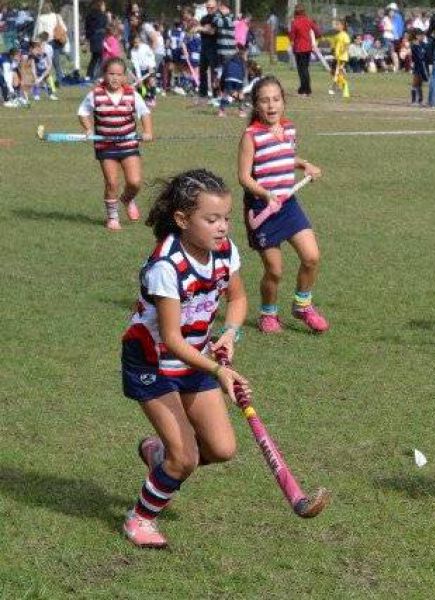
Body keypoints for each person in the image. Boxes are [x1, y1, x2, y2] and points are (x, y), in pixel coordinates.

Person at [120, 169, 248, 549]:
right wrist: (218, 369)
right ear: (182, 220)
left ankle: (160, 455)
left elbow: (237, 300)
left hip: (195, 358)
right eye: (211, 219)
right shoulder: (167, 266)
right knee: (186, 458)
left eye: (225, 217)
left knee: (221, 449)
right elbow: (172, 339)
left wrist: (229, 333)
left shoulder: (225, 252)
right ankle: (139, 519)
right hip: (152, 362)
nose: (222, 227)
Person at [237, 76, 329, 334]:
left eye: (276, 99)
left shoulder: (289, 129)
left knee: (311, 257)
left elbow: (284, 156)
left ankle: (302, 305)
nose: (271, 105)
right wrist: (266, 195)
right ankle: (268, 314)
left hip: (287, 205)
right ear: (256, 105)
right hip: (262, 210)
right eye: (264, 100)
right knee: (275, 271)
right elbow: (243, 177)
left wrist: (304, 164)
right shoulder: (250, 136)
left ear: (283, 102)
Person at [77, 57, 153, 230]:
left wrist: (147, 132)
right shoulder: (95, 95)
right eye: (111, 74)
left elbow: (145, 113)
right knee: (112, 183)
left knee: (134, 182)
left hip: (128, 145)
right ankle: (112, 217)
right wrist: (89, 129)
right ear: (104, 74)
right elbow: (82, 113)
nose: (115, 78)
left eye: (119, 74)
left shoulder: (132, 95)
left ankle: (127, 199)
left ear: (124, 77)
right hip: (106, 146)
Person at [288, 6, 320, 97]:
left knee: (301, 70)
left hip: (299, 48)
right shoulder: (308, 21)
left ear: (296, 13)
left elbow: (291, 36)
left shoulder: (294, 22)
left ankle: (305, 90)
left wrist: (291, 43)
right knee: (305, 68)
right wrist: (316, 39)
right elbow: (317, 31)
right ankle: (304, 88)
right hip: (308, 48)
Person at [195, 0, 219, 99]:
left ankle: (216, 94)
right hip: (204, 47)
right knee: (202, 70)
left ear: (216, 7)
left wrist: (201, 28)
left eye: (211, 7)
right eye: (208, 7)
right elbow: (200, 28)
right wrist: (204, 28)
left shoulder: (217, 18)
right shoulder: (204, 18)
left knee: (214, 72)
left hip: (214, 48)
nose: (209, 9)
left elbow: (212, 31)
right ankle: (203, 93)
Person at [85, 0, 108, 80]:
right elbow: (105, 27)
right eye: (103, 5)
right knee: (101, 58)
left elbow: (87, 28)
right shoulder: (103, 16)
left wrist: (88, 38)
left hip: (93, 38)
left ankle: (89, 75)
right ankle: (99, 75)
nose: (105, 7)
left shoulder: (89, 16)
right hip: (100, 38)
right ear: (100, 6)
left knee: (94, 58)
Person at [329, 18, 350, 98]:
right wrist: (333, 51)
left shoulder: (345, 35)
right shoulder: (336, 35)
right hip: (336, 57)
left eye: (338, 24)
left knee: (337, 72)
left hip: (342, 57)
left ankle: (334, 88)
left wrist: (342, 51)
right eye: (336, 24)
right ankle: (341, 84)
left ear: (342, 26)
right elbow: (334, 46)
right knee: (333, 72)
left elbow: (347, 45)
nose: (336, 26)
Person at [410, 28, 429, 105]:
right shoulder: (414, 45)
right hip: (417, 66)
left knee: (420, 84)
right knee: (415, 83)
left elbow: (427, 50)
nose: (423, 37)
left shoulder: (422, 44)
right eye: (422, 35)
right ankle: (413, 101)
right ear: (417, 36)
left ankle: (420, 100)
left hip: (422, 65)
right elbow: (418, 57)